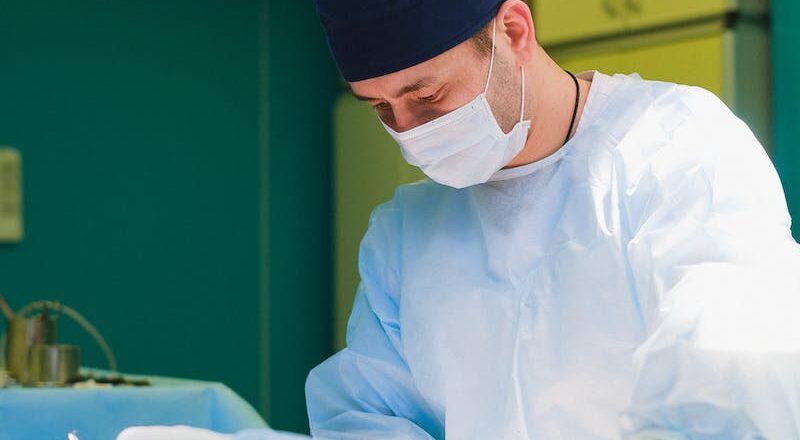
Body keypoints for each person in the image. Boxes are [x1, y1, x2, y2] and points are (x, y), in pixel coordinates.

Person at [118, 0, 800, 439]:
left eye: (427, 95)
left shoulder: (675, 148)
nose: (410, 132)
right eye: (381, 110)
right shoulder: (407, 233)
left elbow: (729, 393)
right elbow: (373, 419)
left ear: (512, 31)